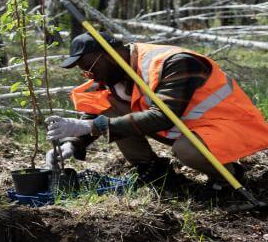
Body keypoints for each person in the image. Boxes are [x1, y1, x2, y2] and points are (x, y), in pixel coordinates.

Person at [45, 32, 268, 189]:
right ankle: (154, 172)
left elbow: (162, 116)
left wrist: (93, 127)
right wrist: (73, 143)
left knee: (186, 150)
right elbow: (97, 112)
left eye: (90, 69)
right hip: (188, 128)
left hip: (229, 127)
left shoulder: (175, 63)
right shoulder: (114, 74)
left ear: (111, 55)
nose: (90, 76)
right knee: (111, 106)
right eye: (85, 74)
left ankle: (228, 176)